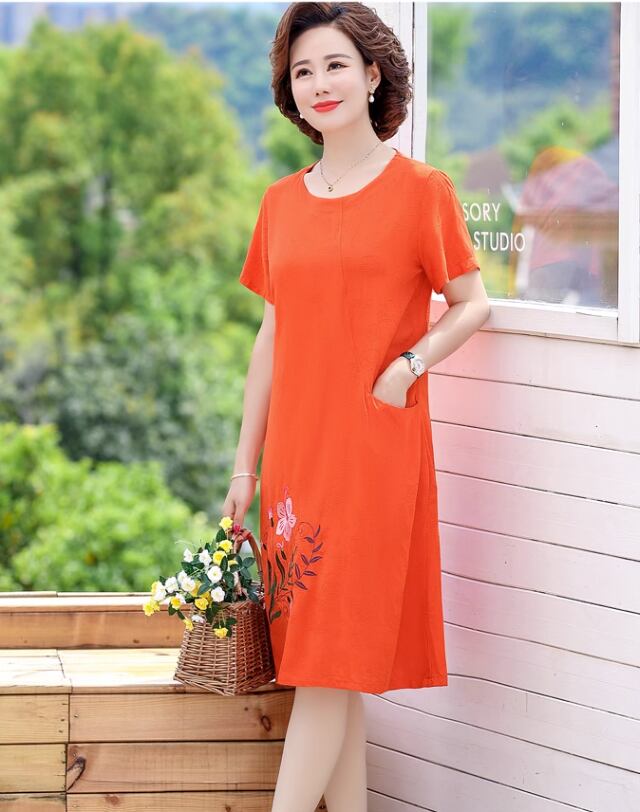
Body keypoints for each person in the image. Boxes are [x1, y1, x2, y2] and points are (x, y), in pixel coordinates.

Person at [222, 3, 491, 810]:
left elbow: (472, 303)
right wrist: (243, 466)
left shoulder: (421, 191)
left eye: (335, 65)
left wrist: (407, 368)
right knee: (324, 666)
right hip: (296, 462)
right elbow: (271, 338)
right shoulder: (281, 203)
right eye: (302, 72)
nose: (319, 84)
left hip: (372, 453)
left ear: (373, 75)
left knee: (327, 666)